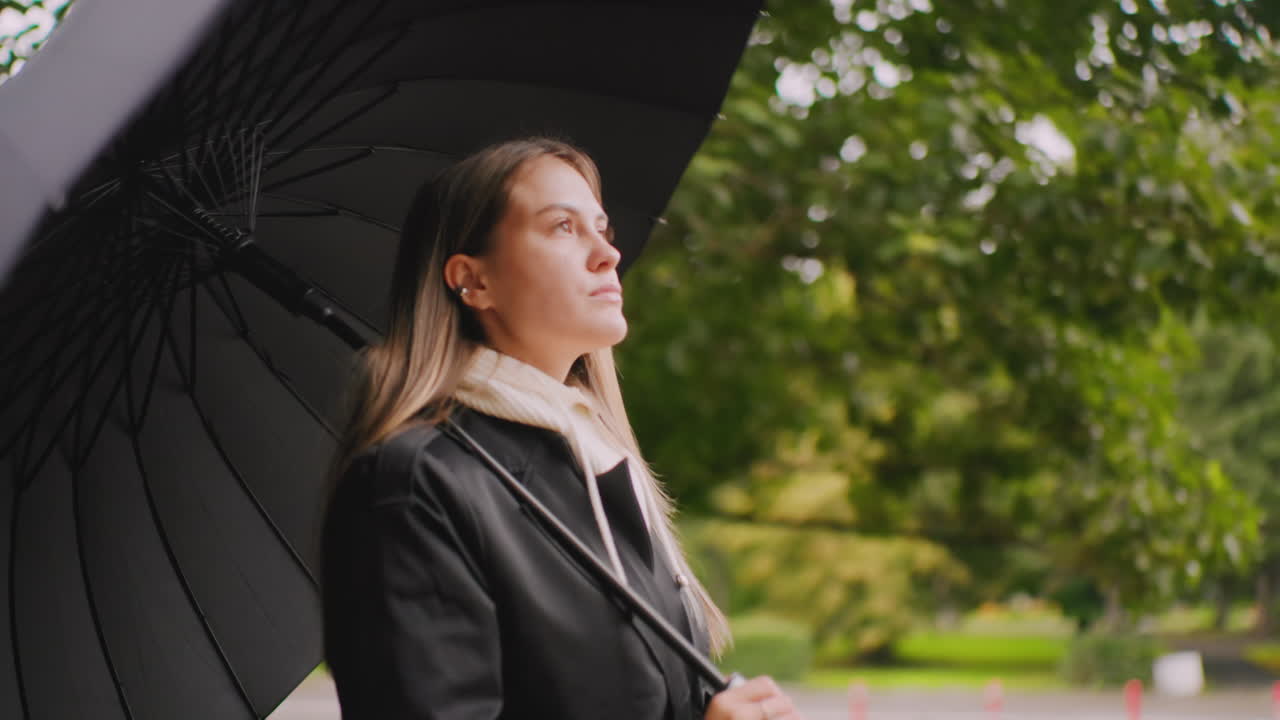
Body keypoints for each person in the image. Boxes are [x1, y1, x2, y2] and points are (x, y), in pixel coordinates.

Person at [320, 135, 805, 720]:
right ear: (473, 281)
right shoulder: (413, 485)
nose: (606, 255)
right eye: (562, 227)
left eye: (603, 230)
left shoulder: (594, 465)